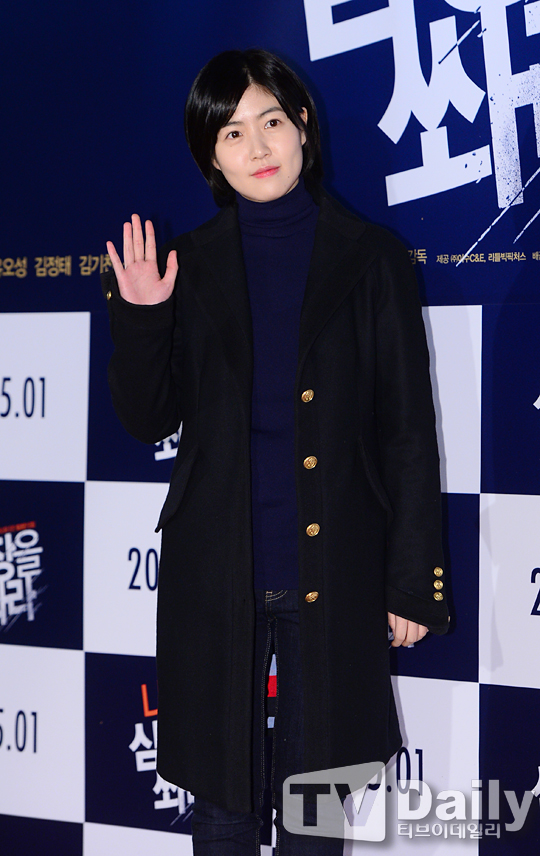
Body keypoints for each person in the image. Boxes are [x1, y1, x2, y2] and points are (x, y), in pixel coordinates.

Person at [102, 48, 449, 855]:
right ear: (211, 156)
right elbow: (146, 421)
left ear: (303, 127)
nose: (257, 147)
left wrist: (411, 582)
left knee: (316, 801)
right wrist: (145, 317)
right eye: (231, 133)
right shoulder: (188, 266)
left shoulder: (372, 258)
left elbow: (406, 433)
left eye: (270, 122)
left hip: (337, 564)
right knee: (221, 803)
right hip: (216, 566)